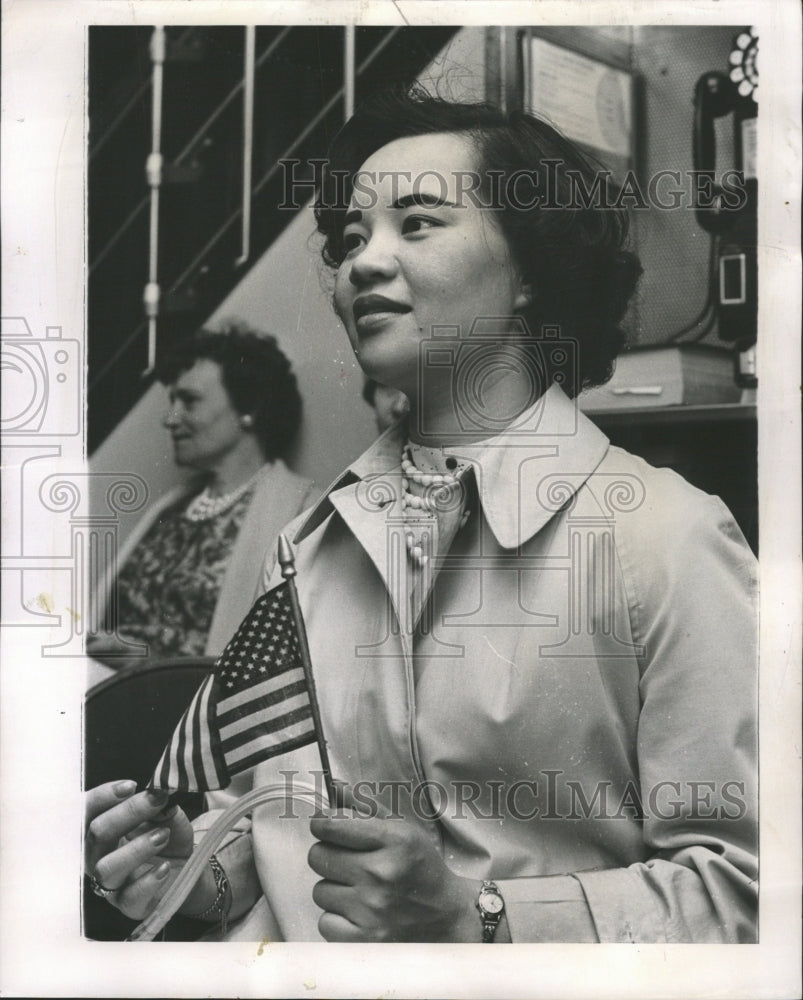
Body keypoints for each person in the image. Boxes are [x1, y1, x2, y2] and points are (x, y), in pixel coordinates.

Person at [84, 88, 757, 944]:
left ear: (529, 272)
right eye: (350, 237)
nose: (361, 262)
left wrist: (480, 915)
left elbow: (744, 898)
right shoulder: (309, 548)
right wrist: (194, 872)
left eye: (419, 223)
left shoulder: (666, 537)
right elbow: (277, 835)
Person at [88, 323, 320, 670]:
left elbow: (288, 654)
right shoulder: (172, 507)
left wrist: (145, 659)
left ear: (250, 409)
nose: (170, 419)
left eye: (190, 401)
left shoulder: (301, 512)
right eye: (172, 401)